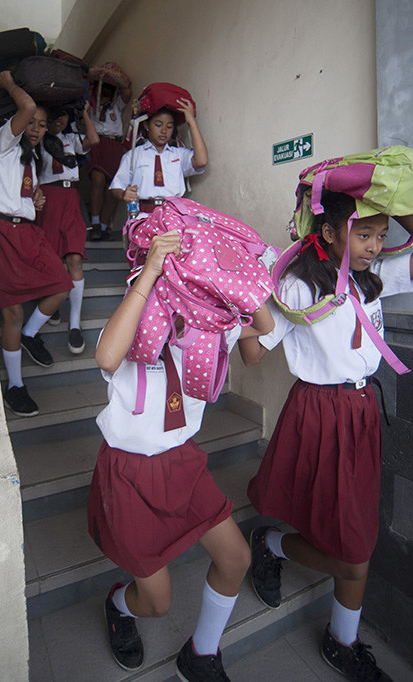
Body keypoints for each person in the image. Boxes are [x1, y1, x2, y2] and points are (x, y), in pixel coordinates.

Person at [238, 157, 413, 682]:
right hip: (318, 412)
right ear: (327, 230)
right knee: (352, 549)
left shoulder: (374, 278)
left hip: (362, 409)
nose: (373, 245)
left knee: (346, 520)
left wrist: (408, 211)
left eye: (379, 234)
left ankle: (273, 545)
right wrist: (244, 300)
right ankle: (340, 640)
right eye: (363, 234)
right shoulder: (299, 286)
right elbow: (254, 354)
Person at [88, 228, 274, 681]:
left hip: (182, 462)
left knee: (235, 559)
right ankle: (118, 604)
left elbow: (262, 335)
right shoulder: (137, 319)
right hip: (128, 471)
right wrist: (150, 274)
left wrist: (241, 280)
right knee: (157, 602)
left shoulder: (213, 326)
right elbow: (108, 358)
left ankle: (202, 654)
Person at [0, 70, 73, 416]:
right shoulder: (5, 142)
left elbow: (16, 191)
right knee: (12, 313)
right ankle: (15, 386)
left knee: (61, 285)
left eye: (42, 124)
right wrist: (6, 83)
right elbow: (27, 105)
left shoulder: (30, 160)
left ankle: (32, 334)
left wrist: (32, 201)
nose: (36, 128)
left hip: (26, 232)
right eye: (31, 122)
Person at [37, 104, 100, 354]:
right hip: (48, 198)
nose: (58, 120)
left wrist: (84, 113)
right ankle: (50, 305)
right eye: (53, 115)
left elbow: (93, 139)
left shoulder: (71, 139)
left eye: (62, 115)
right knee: (50, 257)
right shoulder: (37, 139)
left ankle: (75, 324)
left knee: (74, 256)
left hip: (70, 198)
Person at [109, 97, 208, 220]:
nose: (164, 131)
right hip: (143, 213)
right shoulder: (134, 155)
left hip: (174, 213)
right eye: (158, 125)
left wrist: (191, 122)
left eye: (169, 126)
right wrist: (124, 194)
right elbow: (116, 187)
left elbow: (201, 161)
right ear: (146, 125)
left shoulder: (178, 154)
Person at [84, 70, 132, 241]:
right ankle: (95, 222)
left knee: (113, 189)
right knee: (98, 179)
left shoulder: (115, 106)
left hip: (114, 144)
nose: (103, 98)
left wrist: (110, 75)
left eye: (106, 94)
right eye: (101, 94)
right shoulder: (90, 105)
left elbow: (126, 91)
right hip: (98, 143)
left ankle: (104, 227)